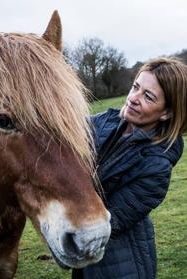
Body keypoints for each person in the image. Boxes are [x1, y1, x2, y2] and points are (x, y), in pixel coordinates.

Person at [72, 57, 187, 279]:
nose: (133, 98)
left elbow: (107, 220)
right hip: (87, 264)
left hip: (121, 267)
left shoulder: (156, 167)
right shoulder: (107, 122)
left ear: (166, 113)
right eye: (136, 87)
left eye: (148, 96)